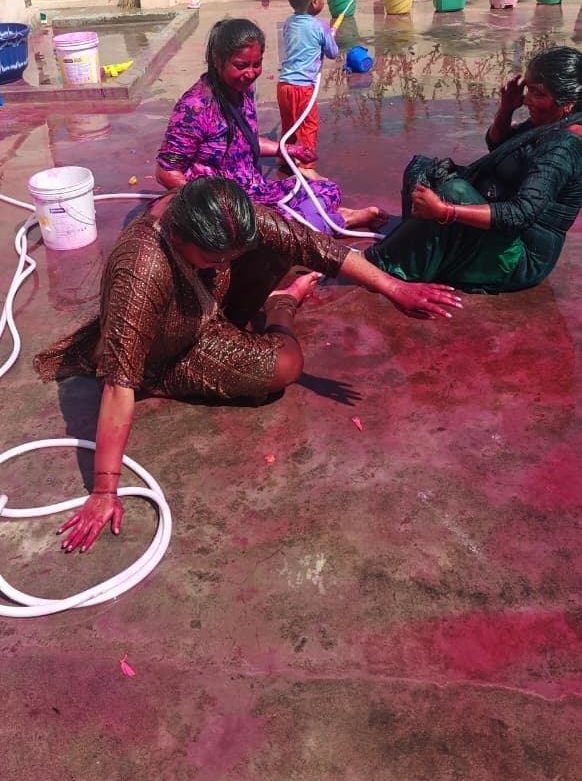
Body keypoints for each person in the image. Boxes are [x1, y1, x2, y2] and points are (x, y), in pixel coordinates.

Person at [34, 177, 461, 553]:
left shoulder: (219, 207)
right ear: (178, 234)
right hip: (165, 355)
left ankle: (247, 301)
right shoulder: (141, 269)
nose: (224, 266)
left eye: (225, 259)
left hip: (203, 307)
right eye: (214, 260)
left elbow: (311, 244)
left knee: (280, 246)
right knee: (285, 366)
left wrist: (394, 288)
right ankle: (282, 305)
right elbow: (118, 385)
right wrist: (104, 489)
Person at [365, 47, 582, 293]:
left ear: (568, 102)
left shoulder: (564, 147)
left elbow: (521, 213)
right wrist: (506, 108)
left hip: (517, 256)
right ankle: (421, 248)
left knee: (454, 192)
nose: (528, 100)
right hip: (503, 230)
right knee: (422, 170)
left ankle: (379, 264)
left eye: (538, 93)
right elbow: (499, 147)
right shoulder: (550, 121)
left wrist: (445, 211)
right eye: (528, 90)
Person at [155, 17, 383, 234]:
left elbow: (245, 141)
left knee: (327, 189)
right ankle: (338, 220)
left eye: (257, 64)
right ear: (216, 60)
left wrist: (287, 149)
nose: (250, 73)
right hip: (225, 206)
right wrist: (205, 206)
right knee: (271, 231)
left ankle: (316, 222)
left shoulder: (243, 90)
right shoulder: (195, 107)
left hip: (256, 191)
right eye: (241, 65)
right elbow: (166, 172)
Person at [277, 0, 338, 180]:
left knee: (289, 124)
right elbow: (332, 53)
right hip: (302, 88)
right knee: (308, 125)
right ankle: (305, 164)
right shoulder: (320, 27)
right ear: (315, 2)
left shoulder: (288, 23)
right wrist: (330, 36)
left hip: (283, 85)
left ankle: (284, 156)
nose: (324, 1)